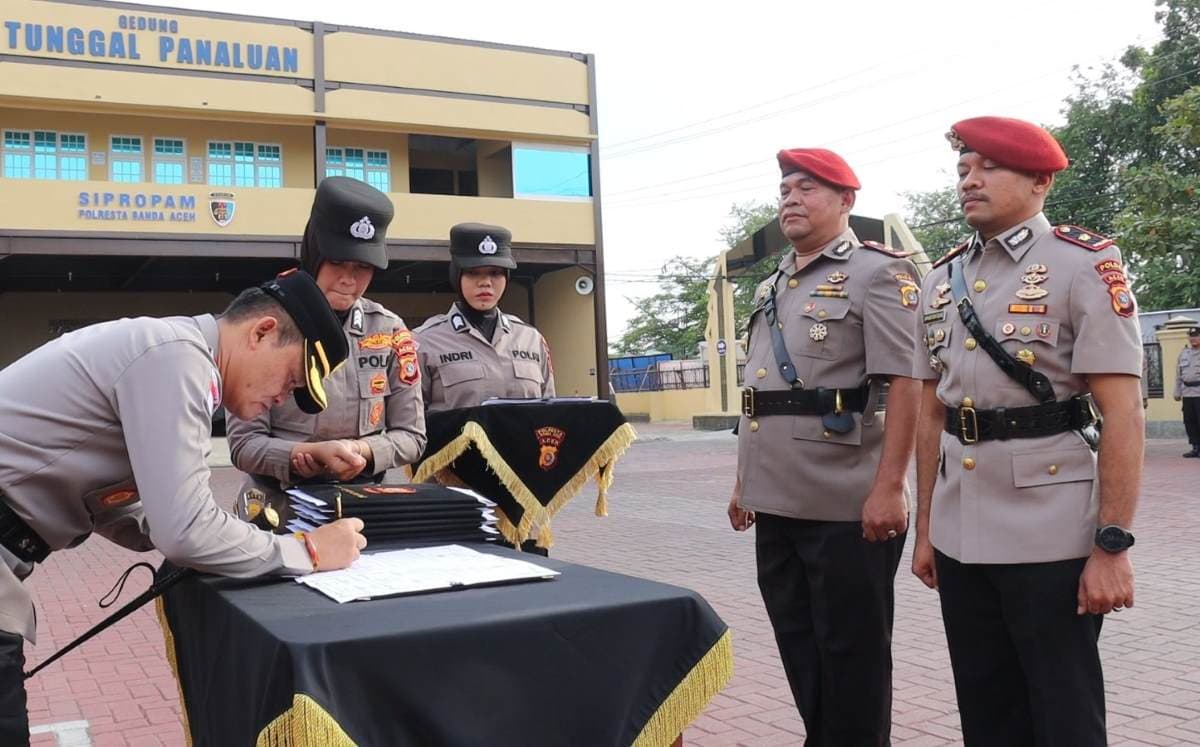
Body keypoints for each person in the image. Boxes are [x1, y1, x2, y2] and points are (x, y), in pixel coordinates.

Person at [0, 270, 368, 743]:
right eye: (289, 379)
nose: (280, 400)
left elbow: (128, 508)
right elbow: (184, 529)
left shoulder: (166, 348)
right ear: (262, 332)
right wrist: (308, 551)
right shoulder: (178, 359)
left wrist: (228, 537)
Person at [911, 116, 1143, 745]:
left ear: (1040, 180)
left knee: (1063, 713)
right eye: (963, 169)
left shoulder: (1082, 265)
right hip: (961, 531)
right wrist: (926, 529)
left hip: (1052, 531)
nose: (970, 180)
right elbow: (933, 412)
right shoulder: (941, 278)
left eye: (989, 167)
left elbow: (1123, 414)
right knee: (986, 713)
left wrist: (1112, 545)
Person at [726, 148, 922, 745]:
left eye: (807, 188)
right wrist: (743, 484)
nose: (790, 199)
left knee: (853, 653)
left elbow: (908, 384)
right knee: (798, 642)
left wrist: (890, 488)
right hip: (776, 499)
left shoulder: (880, 273)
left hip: (846, 502)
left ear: (846, 201)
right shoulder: (773, 283)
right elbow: (760, 395)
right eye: (785, 189)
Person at [227, 177, 426, 494]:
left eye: (363, 266)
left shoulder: (388, 330)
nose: (349, 279)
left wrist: (361, 451)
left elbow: (412, 436)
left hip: (365, 501)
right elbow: (243, 444)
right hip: (279, 503)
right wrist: (295, 456)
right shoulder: (266, 324)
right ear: (315, 253)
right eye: (337, 262)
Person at [414, 222, 554, 411]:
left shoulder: (530, 339)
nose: (485, 283)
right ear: (457, 276)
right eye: (473, 273)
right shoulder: (425, 342)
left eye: (495, 273)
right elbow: (412, 424)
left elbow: (550, 410)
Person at [1175, 327, 1200, 457]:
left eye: (1196, 336)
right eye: (1191, 336)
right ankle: (1195, 447)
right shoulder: (1184, 353)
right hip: (1187, 392)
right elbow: (1178, 374)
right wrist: (1177, 391)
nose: (1193, 338)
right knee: (1189, 421)